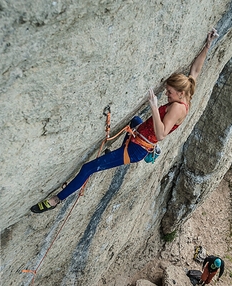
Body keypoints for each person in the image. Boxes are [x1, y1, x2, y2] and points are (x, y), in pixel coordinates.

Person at [31, 28, 219, 213]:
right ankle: (116, 153)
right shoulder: (187, 90)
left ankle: (56, 200)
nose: (167, 95)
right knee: (135, 119)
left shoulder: (178, 106)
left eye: (169, 92)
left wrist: (154, 106)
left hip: (137, 148)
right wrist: (208, 45)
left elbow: (161, 134)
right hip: (139, 133)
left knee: (89, 168)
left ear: (179, 93)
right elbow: (195, 70)